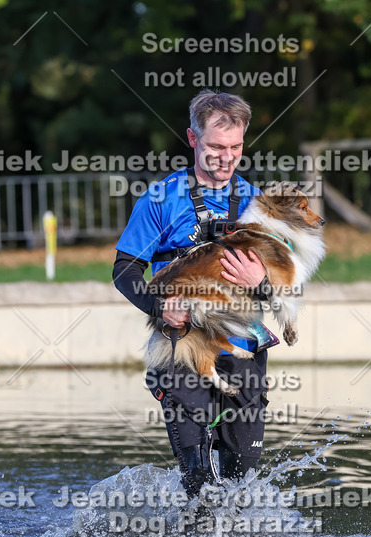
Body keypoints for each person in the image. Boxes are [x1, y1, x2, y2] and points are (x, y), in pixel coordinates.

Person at [112, 90, 272, 497]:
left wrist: (262, 282)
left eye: (235, 147)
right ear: (192, 138)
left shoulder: (256, 201)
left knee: (242, 480)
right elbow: (125, 270)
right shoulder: (161, 197)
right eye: (216, 146)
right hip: (180, 347)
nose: (227, 156)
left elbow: (279, 286)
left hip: (241, 346)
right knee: (198, 477)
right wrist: (160, 307)